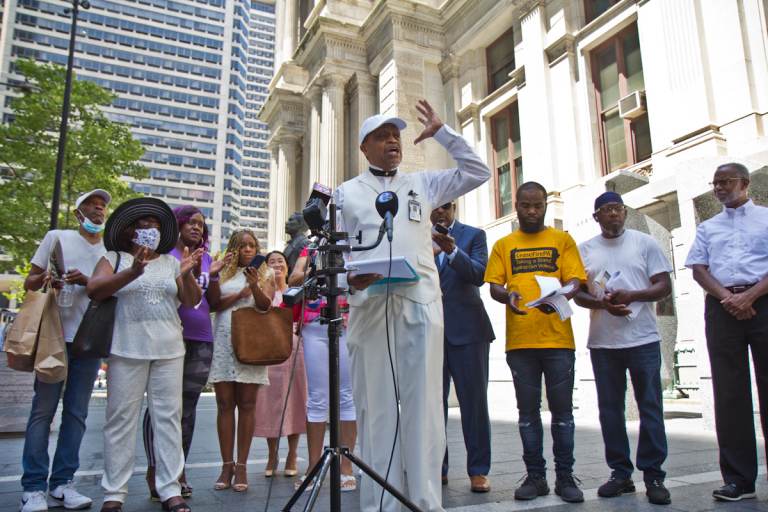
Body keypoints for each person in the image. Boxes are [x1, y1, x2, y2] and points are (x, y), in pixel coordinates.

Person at [337, 100, 490, 511]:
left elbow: (478, 171)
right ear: (364, 147)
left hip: (420, 304)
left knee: (424, 407)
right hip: (369, 308)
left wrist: (443, 132)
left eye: (396, 136)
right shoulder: (345, 193)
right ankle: (379, 503)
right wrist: (348, 279)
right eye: (383, 136)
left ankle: (424, 501)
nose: (392, 141)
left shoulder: (423, 184)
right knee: (376, 406)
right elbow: (328, 260)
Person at [87, 197, 203, 512]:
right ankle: (114, 492)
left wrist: (189, 273)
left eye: (153, 225)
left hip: (169, 348)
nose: (149, 229)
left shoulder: (170, 262)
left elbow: (191, 301)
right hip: (126, 348)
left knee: (168, 418)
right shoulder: (112, 258)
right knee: (120, 419)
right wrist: (133, 271)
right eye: (142, 225)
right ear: (129, 231)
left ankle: (170, 488)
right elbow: (96, 290)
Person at [484, 181, 586, 504]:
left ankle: (566, 476)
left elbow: (575, 280)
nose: (531, 211)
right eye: (525, 205)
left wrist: (561, 293)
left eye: (537, 205)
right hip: (520, 343)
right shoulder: (503, 244)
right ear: (515, 205)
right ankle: (536, 476)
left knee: (563, 414)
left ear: (545, 206)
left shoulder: (562, 240)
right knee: (527, 414)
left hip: (558, 341)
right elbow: (494, 286)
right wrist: (508, 295)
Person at [574, 191, 673, 505]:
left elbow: (663, 286)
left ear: (625, 213)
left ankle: (654, 474)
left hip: (643, 339)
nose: (613, 214)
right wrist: (601, 302)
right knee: (610, 411)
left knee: (650, 408)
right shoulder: (584, 249)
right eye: (606, 210)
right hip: (604, 342)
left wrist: (633, 296)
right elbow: (577, 294)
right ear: (596, 217)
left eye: (617, 209)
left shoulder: (645, 243)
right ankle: (620, 473)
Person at [20, 189, 110, 512]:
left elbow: (109, 290)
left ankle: (62, 483)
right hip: (53, 337)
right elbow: (30, 282)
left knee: (77, 414)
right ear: (78, 213)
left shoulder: (108, 250)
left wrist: (88, 281)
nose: (98, 212)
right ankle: (32, 487)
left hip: (88, 340)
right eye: (92, 206)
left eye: (102, 207)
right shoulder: (56, 237)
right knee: (43, 410)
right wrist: (47, 276)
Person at [685, 162, 768, 502]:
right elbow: (698, 268)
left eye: (726, 182)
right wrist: (728, 298)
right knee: (729, 393)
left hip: (762, 302)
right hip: (721, 307)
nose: (719, 188)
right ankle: (739, 480)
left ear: (744, 184)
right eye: (715, 183)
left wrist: (750, 295)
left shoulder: (766, 217)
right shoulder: (709, 227)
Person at [142, 206, 232, 500]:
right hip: (169, 335)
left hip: (201, 337)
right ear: (178, 224)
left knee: (188, 409)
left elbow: (214, 302)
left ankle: (178, 471)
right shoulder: (164, 255)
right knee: (162, 406)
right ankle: (156, 469)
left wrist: (214, 275)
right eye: (191, 222)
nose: (196, 228)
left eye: (201, 225)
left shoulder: (205, 258)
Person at [430, 202, 494, 493]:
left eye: (445, 207)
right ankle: (437, 467)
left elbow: (480, 274)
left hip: (469, 331)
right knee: (432, 405)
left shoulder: (474, 235)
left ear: (454, 207)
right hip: (429, 332)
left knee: (474, 405)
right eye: (434, 208)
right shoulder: (416, 238)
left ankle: (478, 471)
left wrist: (451, 251)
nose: (439, 213)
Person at [207, 229, 274, 493]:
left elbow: (265, 306)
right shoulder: (222, 272)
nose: (248, 250)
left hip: (252, 343)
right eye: (243, 245)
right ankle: (227, 465)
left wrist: (254, 285)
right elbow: (213, 304)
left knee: (247, 404)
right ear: (233, 248)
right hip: (224, 340)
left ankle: (243, 465)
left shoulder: (265, 273)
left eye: (252, 246)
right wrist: (227, 284)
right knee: (224, 404)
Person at [288, 247, 357, 492]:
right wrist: (315, 266)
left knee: (346, 395)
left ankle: (346, 467)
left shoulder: (354, 245)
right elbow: (293, 279)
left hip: (348, 322)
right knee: (317, 397)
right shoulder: (312, 247)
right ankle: (313, 467)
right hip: (314, 325)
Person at [252, 250, 307, 479]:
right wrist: (268, 286)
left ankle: (292, 455)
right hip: (270, 351)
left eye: (280, 261)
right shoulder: (265, 290)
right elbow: (260, 312)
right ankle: (272, 454)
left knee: (295, 401)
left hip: (295, 349)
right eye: (271, 261)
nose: (276, 264)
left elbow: (305, 315)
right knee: (269, 403)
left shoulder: (296, 289)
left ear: (288, 265)